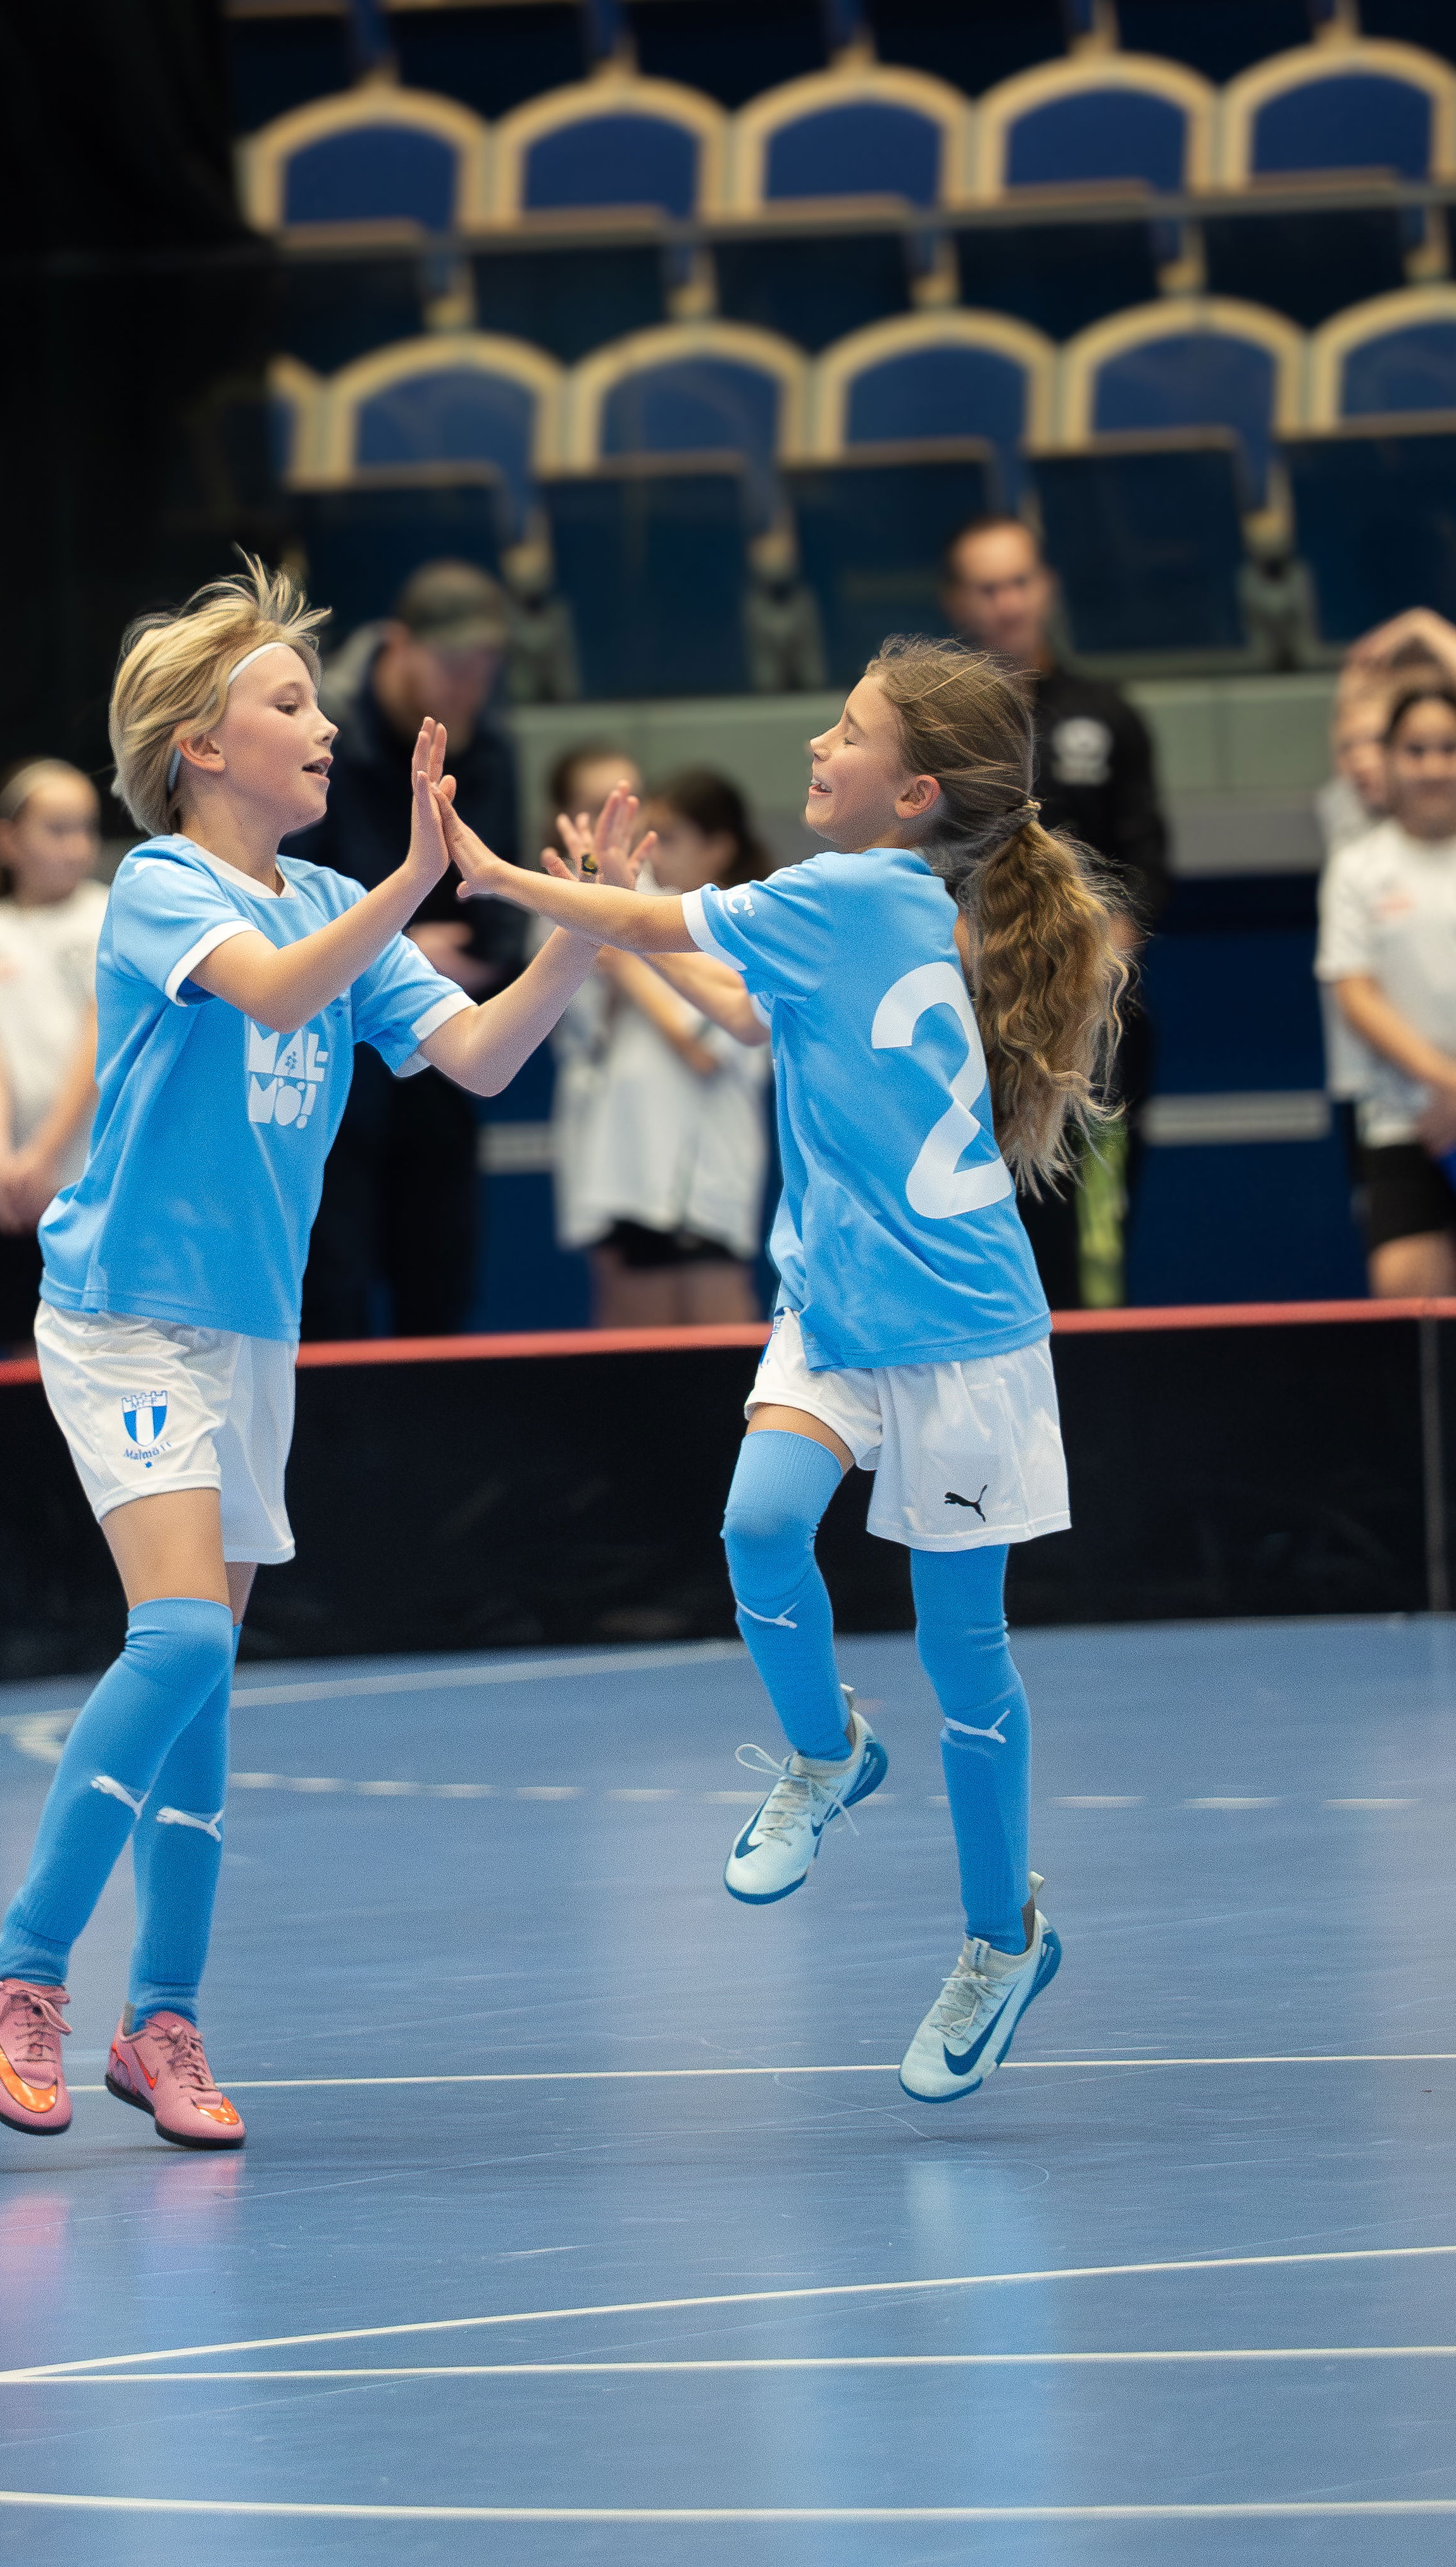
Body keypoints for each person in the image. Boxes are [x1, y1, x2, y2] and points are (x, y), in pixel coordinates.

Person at [0, 559, 613, 2151]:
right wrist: (414, 876)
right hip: (125, 1316)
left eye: (320, 702)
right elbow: (265, 996)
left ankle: (162, 2019)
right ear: (201, 744)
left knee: (205, 1691)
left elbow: (473, 1055)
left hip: (251, 1335)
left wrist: (577, 937)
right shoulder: (160, 885)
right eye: (290, 702)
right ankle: (21, 1967)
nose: (323, 726)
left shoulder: (330, 903)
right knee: (180, 1635)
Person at [442, 635, 1128, 2102]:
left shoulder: (853, 893)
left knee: (965, 1659)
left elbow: (655, 916)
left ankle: (1003, 1939)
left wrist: (495, 873)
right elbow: (749, 1009)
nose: (818, 745)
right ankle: (826, 1755)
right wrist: (624, 920)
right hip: (832, 1305)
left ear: (914, 792)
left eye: (848, 730)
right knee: (759, 1523)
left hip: (960, 1335)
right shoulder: (870, 905)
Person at [289, 558, 525, 1339]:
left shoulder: (491, 747)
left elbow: (498, 925)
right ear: (399, 645)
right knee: (330, 1292)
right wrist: (403, 945)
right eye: (456, 663)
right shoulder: (318, 738)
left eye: (487, 664)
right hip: (325, 1055)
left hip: (440, 1044)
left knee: (440, 1282)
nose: (472, 684)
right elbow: (288, 914)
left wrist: (390, 954)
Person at [940, 513, 1169, 1308]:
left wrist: (1082, 977)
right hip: (969, 1020)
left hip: (1091, 1022)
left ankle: (1098, 1379)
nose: (1007, 603)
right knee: (979, 1231)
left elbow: (1146, 866)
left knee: (1094, 1242)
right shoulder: (939, 733)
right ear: (958, 603)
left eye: (1019, 582)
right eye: (987, 588)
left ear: (1047, 588)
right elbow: (920, 860)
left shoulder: (1108, 714)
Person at [552, 758, 772, 1328]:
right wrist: (594, 869)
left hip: (703, 1180)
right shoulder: (652, 912)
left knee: (715, 1354)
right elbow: (602, 900)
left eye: (669, 838)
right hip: (623, 1164)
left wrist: (630, 965)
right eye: (648, 838)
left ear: (719, 848)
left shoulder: (749, 929)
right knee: (629, 1356)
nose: (654, 855)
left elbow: (705, 1050)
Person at [1316, 682, 1456, 1298]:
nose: (1434, 766)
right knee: (1410, 1299)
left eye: (1449, 748)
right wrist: (1449, 1086)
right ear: (1391, 759)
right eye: (1416, 750)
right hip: (1406, 1121)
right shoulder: (1359, 867)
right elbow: (1355, 992)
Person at [0, 759, 105, 1359]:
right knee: (20, 1352)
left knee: (104, 1354)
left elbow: (101, 1041)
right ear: (6, 840)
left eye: (86, 828)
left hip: (93, 1178)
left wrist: (45, 1155)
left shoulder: (114, 918)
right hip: (6, 1187)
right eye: (58, 829)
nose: (77, 846)